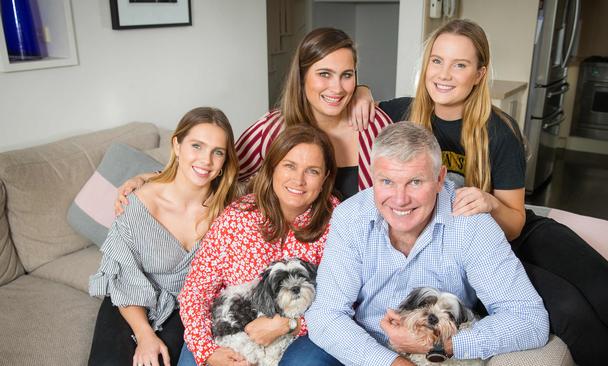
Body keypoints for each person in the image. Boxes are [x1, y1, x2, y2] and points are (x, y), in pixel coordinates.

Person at [368, 19, 608, 365]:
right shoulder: (402, 113)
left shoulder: (499, 131)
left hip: (518, 232)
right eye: (437, 61)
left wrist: (489, 202)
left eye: (460, 65)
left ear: (480, 74)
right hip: (480, 255)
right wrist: (363, 94)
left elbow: (515, 223)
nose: (444, 74)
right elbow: (358, 99)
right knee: (572, 311)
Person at [290, 122, 548, 366]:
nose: (400, 200)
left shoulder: (471, 224)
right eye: (387, 181)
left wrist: (441, 345)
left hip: (437, 348)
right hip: (359, 341)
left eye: (415, 182)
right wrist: (392, 363)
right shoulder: (351, 217)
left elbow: (529, 319)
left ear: (439, 179)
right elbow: (327, 313)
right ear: (372, 177)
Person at [87, 107, 239, 366]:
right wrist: (144, 334)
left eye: (218, 152)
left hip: (185, 309)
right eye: (196, 146)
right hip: (130, 303)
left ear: (225, 160)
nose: (206, 160)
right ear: (177, 146)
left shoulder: (229, 212)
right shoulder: (137, 204)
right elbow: (123, 281)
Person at [177, 125, 340, 366]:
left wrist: (290, 325)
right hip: (231, 324)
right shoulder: (238, 217)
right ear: (272, 166)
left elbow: (348, 301)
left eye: (313, 171)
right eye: (289, 165)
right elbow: (196, 291)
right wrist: (208, 351)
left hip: (304, 333)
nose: (299, 180)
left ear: (325, 176)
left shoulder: (339, 221)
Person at [235, 27, 392, 200]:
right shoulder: (272, 128)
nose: (337, 88)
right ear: (302, 76)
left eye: (347, 75)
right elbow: (220, 175)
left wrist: (363, 90)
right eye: (325, 74)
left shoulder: (375, 124)